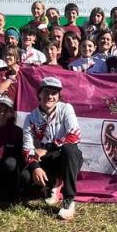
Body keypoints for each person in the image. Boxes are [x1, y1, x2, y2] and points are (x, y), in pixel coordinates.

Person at [23, 77, 83, 220]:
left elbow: (75, 135)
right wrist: (35, 167)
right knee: (25, 178)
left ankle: (68, 201)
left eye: (54, 93)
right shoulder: (30, 117)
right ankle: (53, 185)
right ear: (39, 94)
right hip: (45, 160)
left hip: (64, 157)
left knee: (70, 149)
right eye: (46, 92)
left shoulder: (66, 108)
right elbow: (26, 148)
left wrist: (49, 148)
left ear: (58, 96)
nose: (50, 96)